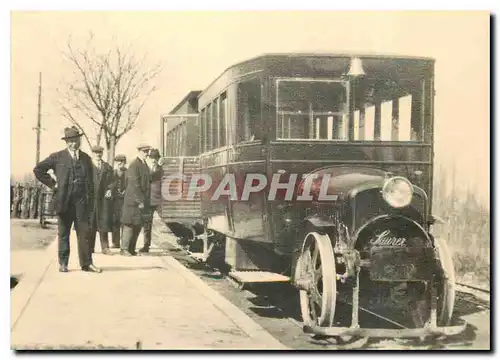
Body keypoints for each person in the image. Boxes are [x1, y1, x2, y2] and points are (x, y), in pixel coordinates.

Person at [33, 126, 102, 273]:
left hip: (82, 203)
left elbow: (90, 183)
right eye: (70, 141)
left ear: (80, 140)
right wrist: (53, 184)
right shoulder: (57, 157)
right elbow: (38, 170)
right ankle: (63, 263)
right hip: (64, 202)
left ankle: (87, 264)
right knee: (63, 234)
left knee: (84, 234)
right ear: (66, 142)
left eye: (76, 140)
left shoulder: (86, 158)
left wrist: (90, 201)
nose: (73, 144)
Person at [120, 144, 152, 256]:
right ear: (139, 152)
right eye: (144, 151)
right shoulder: (135, 165)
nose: (147, 154)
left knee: (137, 225)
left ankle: (131, 249)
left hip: (140, 201)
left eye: (148, 151)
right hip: (133, 201)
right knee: (129, 224)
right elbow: (134, 185)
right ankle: (124, 249)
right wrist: (140, 201)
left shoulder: (143, 164)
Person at [88, 146, 114, 254]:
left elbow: (113, 181)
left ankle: (105, 247)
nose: (98, 155)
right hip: (91, 199)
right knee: (91, 223)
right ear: (92, 154)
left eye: (100, 153)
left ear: (102, 154)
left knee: (104, 223)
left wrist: (110, 189)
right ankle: (90, 247)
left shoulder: (107, 167)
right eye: (96, 153)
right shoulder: (87, 166)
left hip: (103, 199)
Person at [140, 148, 163, 253]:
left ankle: (146, 245)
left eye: (156, 158)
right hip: (146, 199)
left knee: (149, 222)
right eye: (152, 158)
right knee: (146, 223)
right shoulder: (145, 169)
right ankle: (146, 244)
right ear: (149, 158)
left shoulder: (160, 169)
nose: (154, 160)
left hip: (156, 199)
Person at [111, 154, 127, 248]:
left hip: (125, 200)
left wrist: (125, 190)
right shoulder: (113, 173)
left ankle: (124, 242)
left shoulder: (128, 172)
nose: (120, 163)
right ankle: (115, 242)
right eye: (118, 161)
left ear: (124, 162)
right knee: (115, 221)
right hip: (115, 200)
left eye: (121, 161)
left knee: (124, 222)